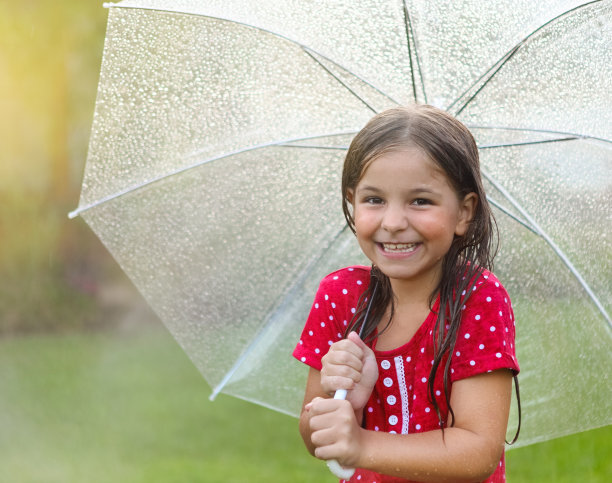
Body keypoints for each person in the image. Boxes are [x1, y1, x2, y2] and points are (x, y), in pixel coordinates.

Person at [293, 104, 520, 483]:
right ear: (352, 200)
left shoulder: (477, 299)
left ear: (464, 212)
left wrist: (362, 445)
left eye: (420, 201)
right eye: (374, 199)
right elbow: (315, 439)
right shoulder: (341, 296)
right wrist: (342, 399)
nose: (394, 222)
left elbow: (478, 452)